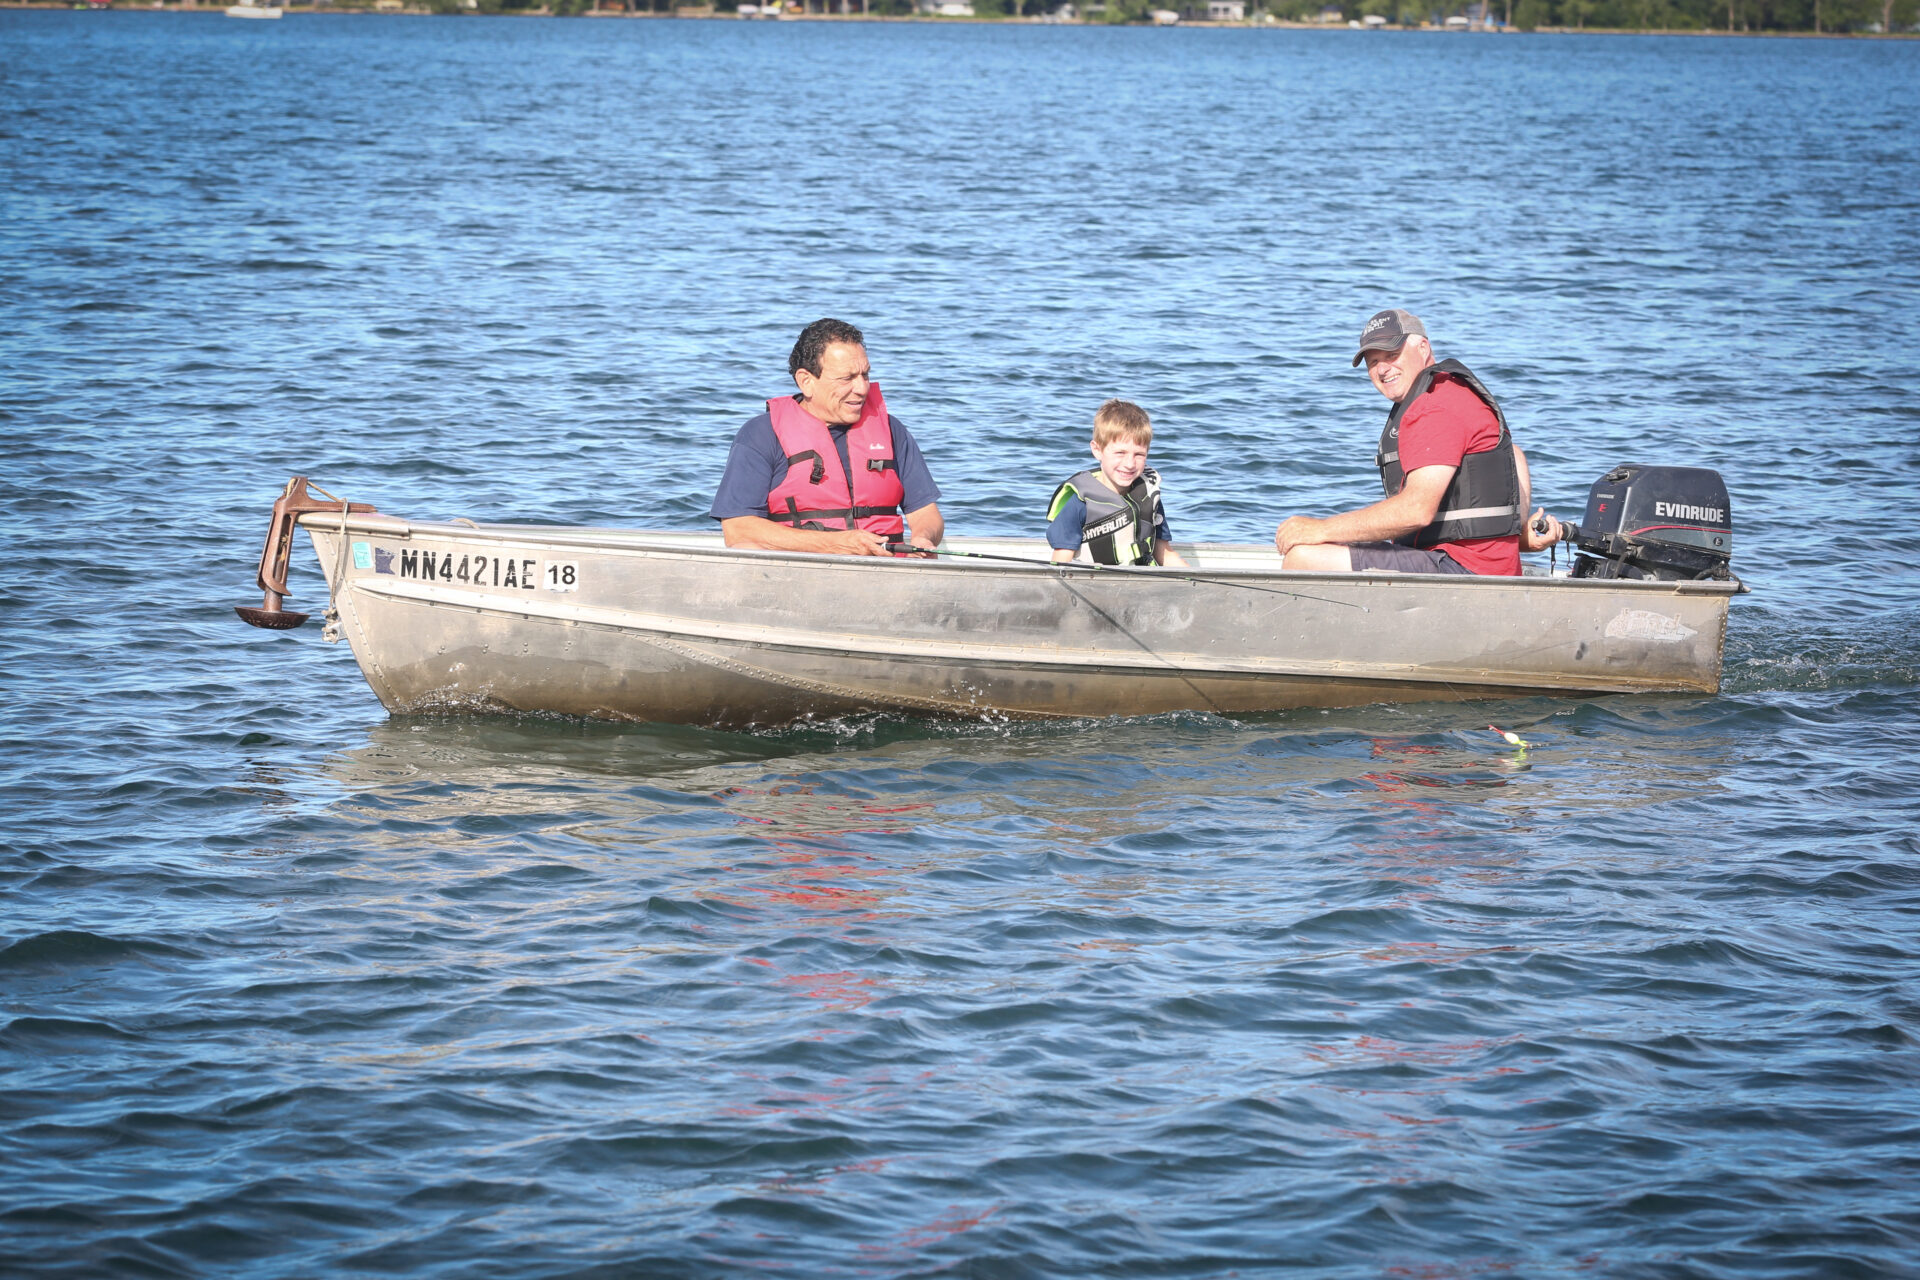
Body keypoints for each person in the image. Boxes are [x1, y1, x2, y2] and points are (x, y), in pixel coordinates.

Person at [1275, 309, 1562, 575]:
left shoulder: (1434, 407)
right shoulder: (1453, 392)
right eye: (1373, 362)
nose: (1382, 369)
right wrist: (1516, 537)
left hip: (1463, 572)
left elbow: (1416, 511)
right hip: (1483, 567)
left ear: (1423, 348)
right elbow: (1513, 455)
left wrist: (1320, 529)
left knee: (1305, 557)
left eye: (1392, 355)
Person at [710, 318, 944, 556]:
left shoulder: (892, 430)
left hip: (887, 572)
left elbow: (926, 513)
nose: (862, 388)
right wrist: (835, 544)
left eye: (865, 375)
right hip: (800, 573)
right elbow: (738, 530)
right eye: (847, 378)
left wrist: (923, 539)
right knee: (745, 546)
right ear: (806, 381)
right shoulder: (761, 435)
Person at [1045, 399, 1189, 568]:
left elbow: (1164, 552)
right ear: (1097, 450)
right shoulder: (1080, 503)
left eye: (1139, 454)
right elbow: (1061, 562)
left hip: (1140, 587)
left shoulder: (1149, 497)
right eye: (1120, 453)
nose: (1129, 463)